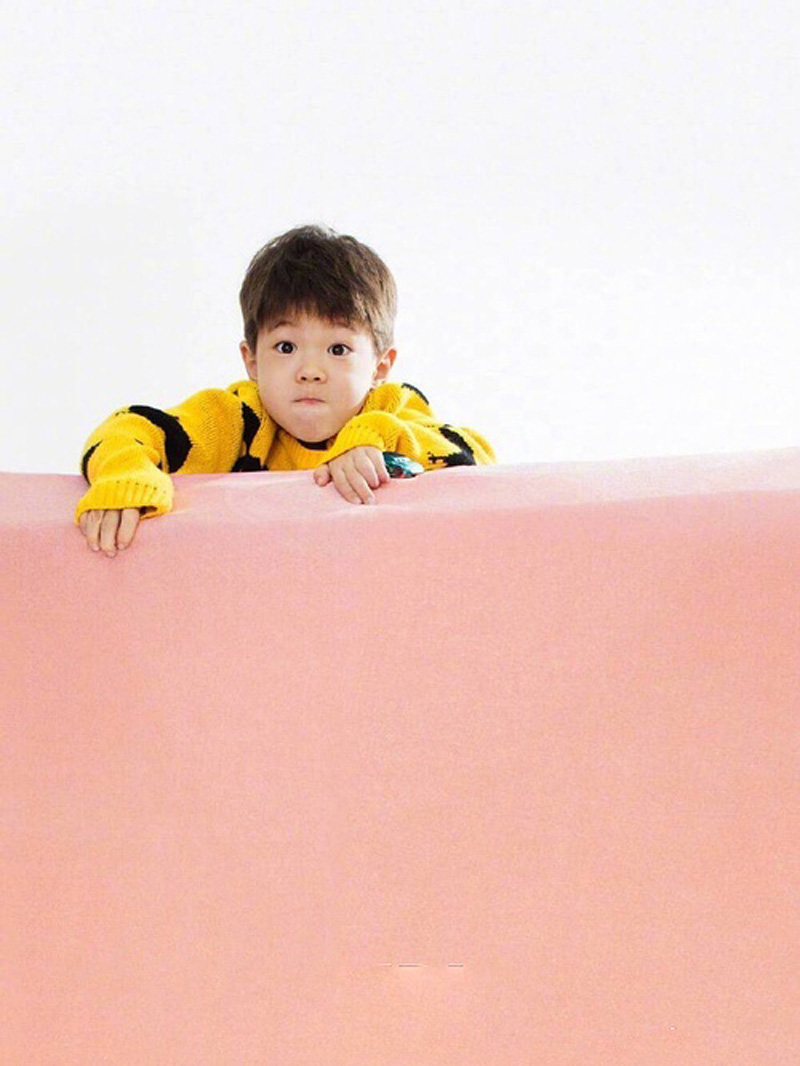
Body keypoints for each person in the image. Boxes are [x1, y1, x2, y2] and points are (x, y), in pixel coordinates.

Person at [75, 223, 496, 557]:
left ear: (380, 366)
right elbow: (126, 429)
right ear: (252, 361)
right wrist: (127, 477)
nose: (310, 371)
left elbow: (478, 459)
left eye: (337, 349)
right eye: (286, 347)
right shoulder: (237, 417)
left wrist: (373, 440)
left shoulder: (390, 410)